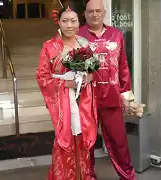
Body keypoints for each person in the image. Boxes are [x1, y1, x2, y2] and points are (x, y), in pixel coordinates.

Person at [51, 0, 136, 179]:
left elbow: (124, 67)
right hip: (85, 100)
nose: (94, 14)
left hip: (112, 98)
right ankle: (88, 176)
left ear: (104, 13)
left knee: (119, 141)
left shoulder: (116, 34)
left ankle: (127, 175)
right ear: (85, 14)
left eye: (98, 11)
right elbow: (63, 68)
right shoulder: (77, 36)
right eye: (90, 11)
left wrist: (126, 95)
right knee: (86, 145)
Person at [36, 6, 98, 180]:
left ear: (79, 22)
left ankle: (83, 176)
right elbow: (42, 76)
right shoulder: (49, 46)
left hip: (83, 98)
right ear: (58, 22)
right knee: (66, 139)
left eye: (73, 20)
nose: (69, 25)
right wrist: (65, 83)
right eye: (65, 21)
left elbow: (92, 69)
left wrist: (89, 77)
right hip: (63, 100)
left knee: (83, 137)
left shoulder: (84, 44)